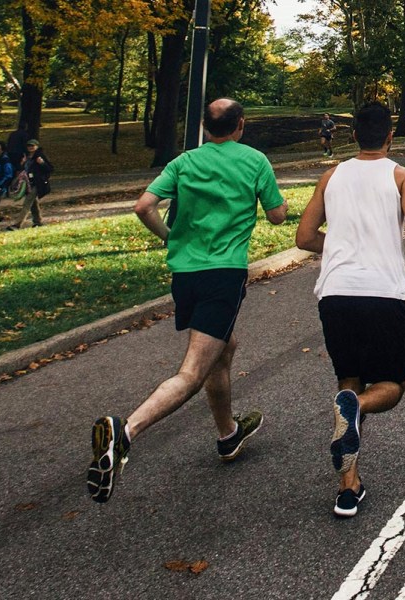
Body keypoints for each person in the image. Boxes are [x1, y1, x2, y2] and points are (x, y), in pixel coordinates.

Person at [86, 98, 288, 504]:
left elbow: (143, 205)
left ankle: (227, 435)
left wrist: (169, 237)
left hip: (185, 275)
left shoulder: (184, 162)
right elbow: (278, 216)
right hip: (222, 275)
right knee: (193, 371)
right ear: (241, 125)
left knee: (223, 349)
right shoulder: (253, 160)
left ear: (204, 126)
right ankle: (125, 433)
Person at [295, 102, 405, 518]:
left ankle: (348, 486)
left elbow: (304, 237)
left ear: (353, 135)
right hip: (381, 294)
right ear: (391, 136)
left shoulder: (331, 176)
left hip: (335, 294)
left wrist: (337, 248)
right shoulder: (401, 175)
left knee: (349, 382)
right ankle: (359, 411)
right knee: (390, 386)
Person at [7, 139, 52, 229]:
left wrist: (42, 163)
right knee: (33, 202)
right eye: (29, 145)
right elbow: (22, 170)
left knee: (27, 202)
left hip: (37, 183)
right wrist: (22, 164)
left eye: (32, 145)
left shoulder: (40, 156)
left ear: (37, 146)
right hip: (27, 183)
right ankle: (38, 221)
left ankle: (18, 224)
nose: (30, 147)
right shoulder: (26, 157)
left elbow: (50, 169)